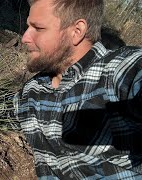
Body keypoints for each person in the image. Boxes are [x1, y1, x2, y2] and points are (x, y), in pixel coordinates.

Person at [14, 0, 142, 179]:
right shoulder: (31, 92)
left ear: (77, 31)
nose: (25, 37)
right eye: (28, 27)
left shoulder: (115, 71)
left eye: (39, 28)